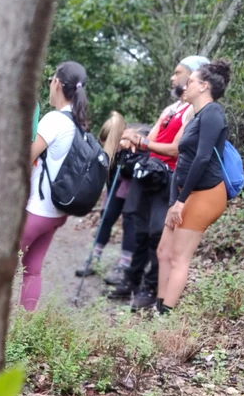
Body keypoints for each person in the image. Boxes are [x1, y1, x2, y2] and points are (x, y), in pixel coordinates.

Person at [109, 55, 208, 310]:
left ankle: (151, 287)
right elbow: (153, 138)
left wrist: (142, 142)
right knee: (137, 228)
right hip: (148, 172)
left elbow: (175, 149)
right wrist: (136, 140)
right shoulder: (171, 109)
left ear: (193, 77)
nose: (173, 78)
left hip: (167, 177)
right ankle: (133, 279)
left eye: (178, 73)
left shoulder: (193, 113)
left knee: (156, 232)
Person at [155, 60, 232, 315]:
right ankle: (158, 307)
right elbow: (184, 160)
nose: (184, 86)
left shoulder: (213, 114)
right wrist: (174, 199)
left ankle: (165, 317)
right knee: (163, 251)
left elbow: (201, 158)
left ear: (204, 86)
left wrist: (181, 201)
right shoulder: (197, 115)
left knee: (178, 257)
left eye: (190, 81)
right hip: (184, 194)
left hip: (205, 194)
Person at [19, 61, 89, 311]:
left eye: (51, 80)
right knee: (32, 269)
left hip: (37, 210)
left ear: (57, 83)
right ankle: (25, 326)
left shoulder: (54, 120)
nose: (50, 84)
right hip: (57, 212)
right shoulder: (79, 123)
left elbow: (23, 157)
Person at [77, 111, 127, 278]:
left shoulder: (131, 146)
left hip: (131, 187)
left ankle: (125, 265)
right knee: (106, 217)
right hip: (114, 184)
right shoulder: (108, 151)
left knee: (130, 223)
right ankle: (94, 258)